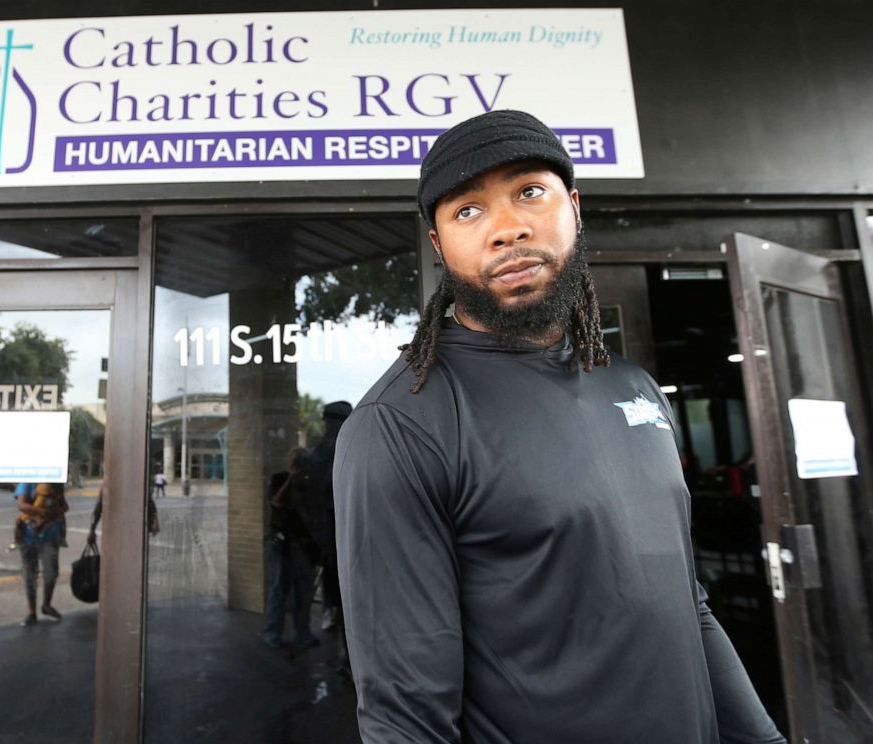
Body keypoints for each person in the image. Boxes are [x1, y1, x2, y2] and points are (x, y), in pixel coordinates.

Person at [334, 111, 786, 743]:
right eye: (467, 211)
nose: (507, 228)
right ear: (438, 245)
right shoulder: (401, 424)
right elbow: (405, 715)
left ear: (573, 206)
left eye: (529, 192)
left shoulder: (632, 387)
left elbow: (689, 607)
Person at [263, 447, 318, 649]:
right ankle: (272, 633)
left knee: (303, 592)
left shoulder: (310, 483)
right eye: (294, 461)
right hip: (281, 543)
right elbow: (276, 502)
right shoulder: (278, 479)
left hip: (303, 545)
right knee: (279, 589)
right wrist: (291, 479)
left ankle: (303, 632)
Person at [14, 482, 68, 626]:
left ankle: (46, 605)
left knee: (51, 573)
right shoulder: (27, 481)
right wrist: (43, 512)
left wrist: (56, 513)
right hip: (28, 536)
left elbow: (63, 506)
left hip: (50, 536)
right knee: (30, 575)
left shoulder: (56, 483)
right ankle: (32, 612)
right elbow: (21, 505)